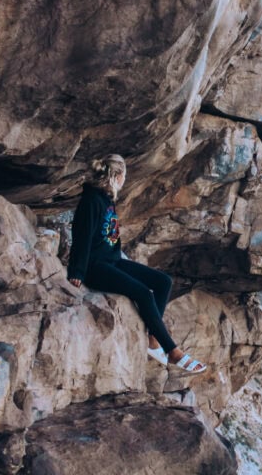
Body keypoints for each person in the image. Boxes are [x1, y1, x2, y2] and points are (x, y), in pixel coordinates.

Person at [67, 154, 206, 374]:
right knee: (143, 293)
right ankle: (172, 351)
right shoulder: (91, 201)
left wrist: (121, 261)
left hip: (112, 260)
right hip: (95, 267)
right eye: (124, 175)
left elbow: (111, 238)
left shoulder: (107, 199)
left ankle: (153, 337)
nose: (125, 180)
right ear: (117, 176)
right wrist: (77, 272)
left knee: (163, 282)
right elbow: (81, 238)